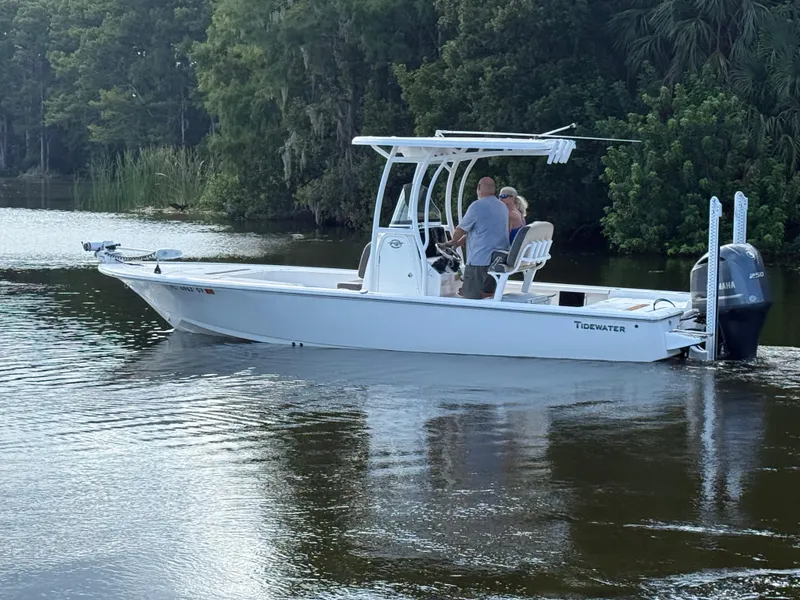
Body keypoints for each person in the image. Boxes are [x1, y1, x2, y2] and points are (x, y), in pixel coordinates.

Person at [445, 177, 509, 299]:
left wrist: (451, 242)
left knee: (471, 298)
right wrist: (457, 244)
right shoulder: (502, 207)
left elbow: (461, 229)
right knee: (487, 296)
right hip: (496, 261)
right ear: (494, 190)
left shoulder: (477, 206)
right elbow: (480, 232)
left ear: (479, 188)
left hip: (479, 263)